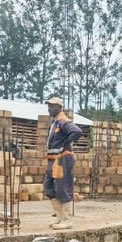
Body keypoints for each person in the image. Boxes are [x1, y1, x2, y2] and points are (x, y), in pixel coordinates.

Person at [44, 97, 82, 230]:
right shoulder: (54, 123)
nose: (49, 109)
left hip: (63, 159)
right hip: (53, 159)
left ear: (60, 108)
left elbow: (77, 131)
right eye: (49, 106)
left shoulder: (63, 121)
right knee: (49, 188)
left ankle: (67, 220)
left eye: (52, 106)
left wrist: (66, 144)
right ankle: (60, 218)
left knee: (62, 188)